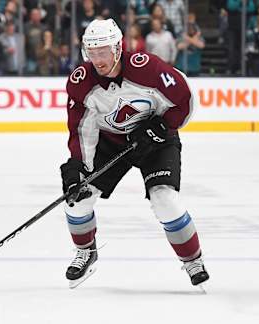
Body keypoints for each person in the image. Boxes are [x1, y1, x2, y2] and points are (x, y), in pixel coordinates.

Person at [60, 18, 209, 289]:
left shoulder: (146, 67)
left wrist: (163, 125)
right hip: (112, 142)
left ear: (118, 47)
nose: (97, 59)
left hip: (157, 140)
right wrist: (77, 166)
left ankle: (192, 260)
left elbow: (184, 97)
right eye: (92, 52)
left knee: (165, 199)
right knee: (78, 200)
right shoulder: (81, 82)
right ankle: (86, 251)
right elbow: (81, 128)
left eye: (103, 51)